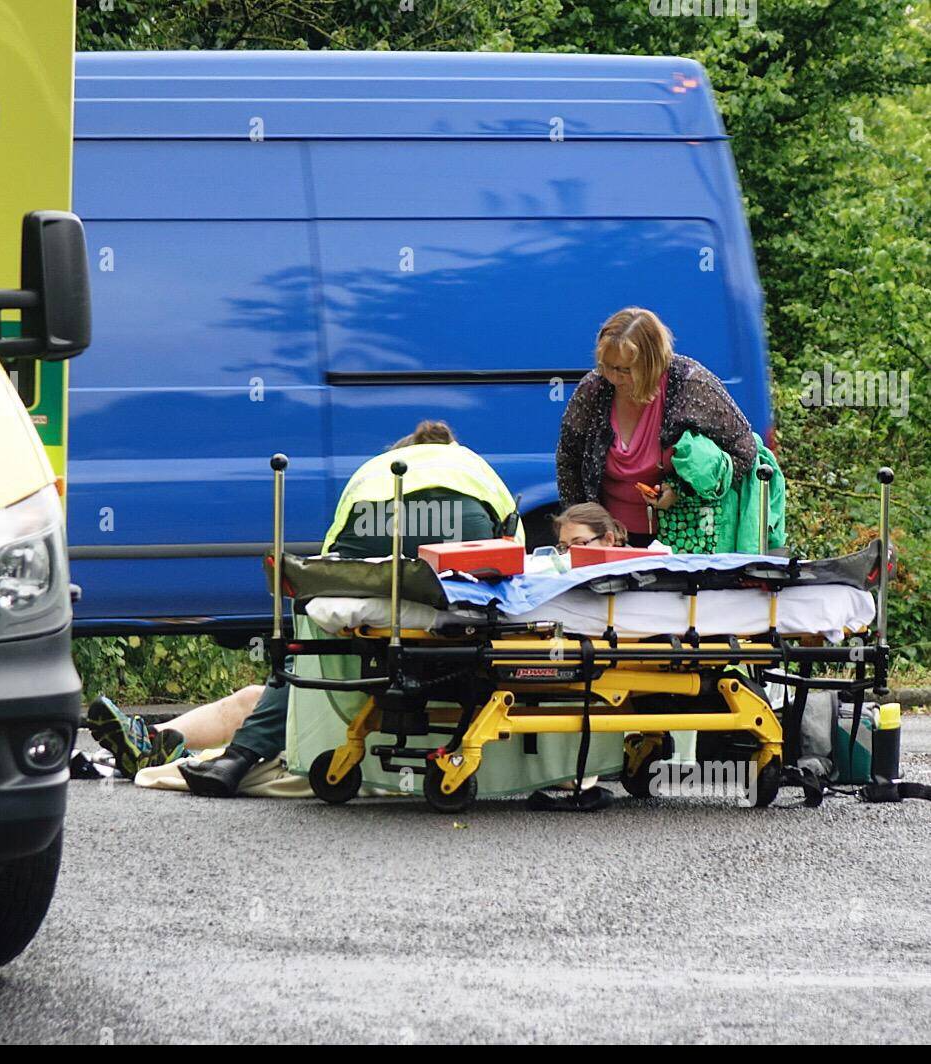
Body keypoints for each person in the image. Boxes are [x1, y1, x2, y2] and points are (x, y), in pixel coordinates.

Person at [88, 419, 523, 795]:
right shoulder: (477, 472)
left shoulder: (372, 477)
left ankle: (196, 748)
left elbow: (330, 567)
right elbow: (514, 567)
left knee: (268, 691)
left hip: (369, 658)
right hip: (458, 646)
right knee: (255, 696)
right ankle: (156, 740)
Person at [555, 307, 757, 547]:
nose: (613, 377)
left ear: (652, 364)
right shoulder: (593, 388)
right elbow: (569, 458)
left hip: (685, 538)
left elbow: (744, 452)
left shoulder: (692, 385)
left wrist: (680, 489)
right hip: (611, 539)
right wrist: (586, 525)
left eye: (625, 370)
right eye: (606, 366)